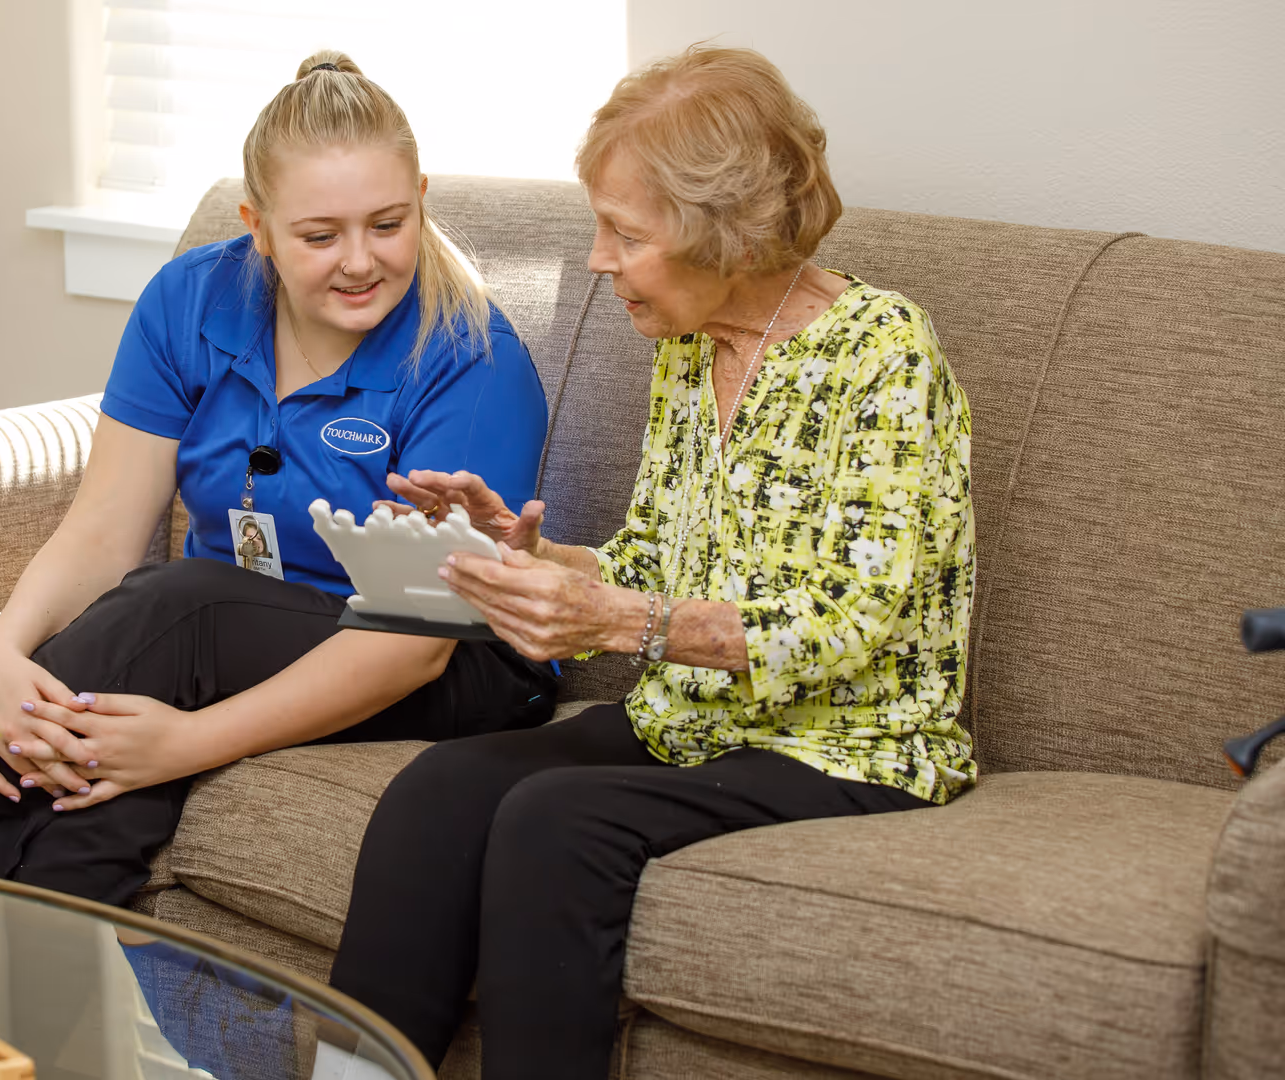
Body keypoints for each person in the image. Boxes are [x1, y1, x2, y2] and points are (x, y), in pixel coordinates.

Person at [325, 45, 977, 1080]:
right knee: (440, 790)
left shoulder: (883, 352)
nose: (596, 260)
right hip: (693, 721)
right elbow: (654, 557)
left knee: (554, 821)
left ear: (724, 230)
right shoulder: (686, 348)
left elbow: (855, 623)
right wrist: (532, 554)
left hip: (846, 749)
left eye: (623, 233)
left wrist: (617, 623)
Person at [0, 50, 555, 908]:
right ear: (258, 226)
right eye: (320, 236)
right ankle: (43, 987)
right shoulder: (190, 301)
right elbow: (102, 532)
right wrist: (3, 653)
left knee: (186, 604)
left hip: (446, 660)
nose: (360, 261)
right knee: (109, 763)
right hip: (224, 629)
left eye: (388, 224)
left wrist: (186, 743)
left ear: (422, 198)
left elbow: (417, 641)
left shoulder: (472, 359)